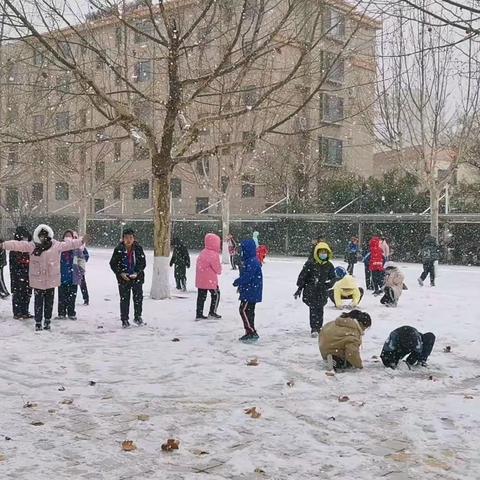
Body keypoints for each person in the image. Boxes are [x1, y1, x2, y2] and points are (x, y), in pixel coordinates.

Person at [0, 224, 84, 331]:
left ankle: (47, 321)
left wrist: (81, 241)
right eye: (41, 236)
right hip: (37, 280)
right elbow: (17, 245)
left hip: (51, 280)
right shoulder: (32, 246)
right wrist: (3, 245)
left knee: (49, 303)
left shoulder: (56, 245)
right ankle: (38, 322)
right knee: (38, 302)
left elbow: (69, 244)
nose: (42, 238)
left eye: (45, 236)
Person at [294, 241, 336, 337]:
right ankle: (314, 328)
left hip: (322, 291)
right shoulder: (310, 264)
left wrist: (329, 284)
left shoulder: (329, 265)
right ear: (317, 253)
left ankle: (319, 327)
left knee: (320, 309)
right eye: (321, 252)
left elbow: (333, 277)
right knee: (313, 309)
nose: (323, 254)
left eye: (325, 252)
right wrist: (300, 288)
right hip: (311, 290)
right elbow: (303, 276)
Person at [109, 228, 146, 328]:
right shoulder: (119, 249)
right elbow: (113, 264)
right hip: (123, 279)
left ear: (134, 238)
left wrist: (137, 272)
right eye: (126, 238)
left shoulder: (138, 248)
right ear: (123, 239)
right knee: (124, 299)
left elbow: (143, 263)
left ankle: (138, 317)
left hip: (137, 278)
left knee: (138, 298)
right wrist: (121, 273)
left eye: (130, 237)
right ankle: (124, 319)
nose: (128, 240)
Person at [233, 238, 263, 342]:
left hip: (250, 291)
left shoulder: (252, 261)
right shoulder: (250, 260)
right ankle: (250, 330)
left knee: (243, 310)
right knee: (249, 311)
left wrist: (238, 282)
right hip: (250, 290)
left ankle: (251, 331)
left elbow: (248, 276)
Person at [57, 230, 86, 320]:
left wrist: (81, 273)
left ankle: (71, 312)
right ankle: (61, 312)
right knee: (62, 297)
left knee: (72, 297)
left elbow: (82, 261)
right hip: (62, 277)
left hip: (73, 277)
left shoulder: (77, 250)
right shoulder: (59, 249)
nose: (68, 238)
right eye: (66, 236)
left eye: (70, 236)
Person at [195, 233, 222, 320]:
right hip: (210, 280)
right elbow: (217, 268)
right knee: (216, 294)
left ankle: (199, 314)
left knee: (201, 297)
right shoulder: (214, 254)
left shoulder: (203, 252)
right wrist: (219, 271)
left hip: (200, 279)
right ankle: (212, 312)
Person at [9, 226, 33, 319]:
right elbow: (14, 263)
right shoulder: (15, 248)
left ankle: (24, 311)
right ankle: (17, 312)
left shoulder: (29, 247)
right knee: (18, 293)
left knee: (27, 293)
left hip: (27, 273)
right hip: (18, 274)